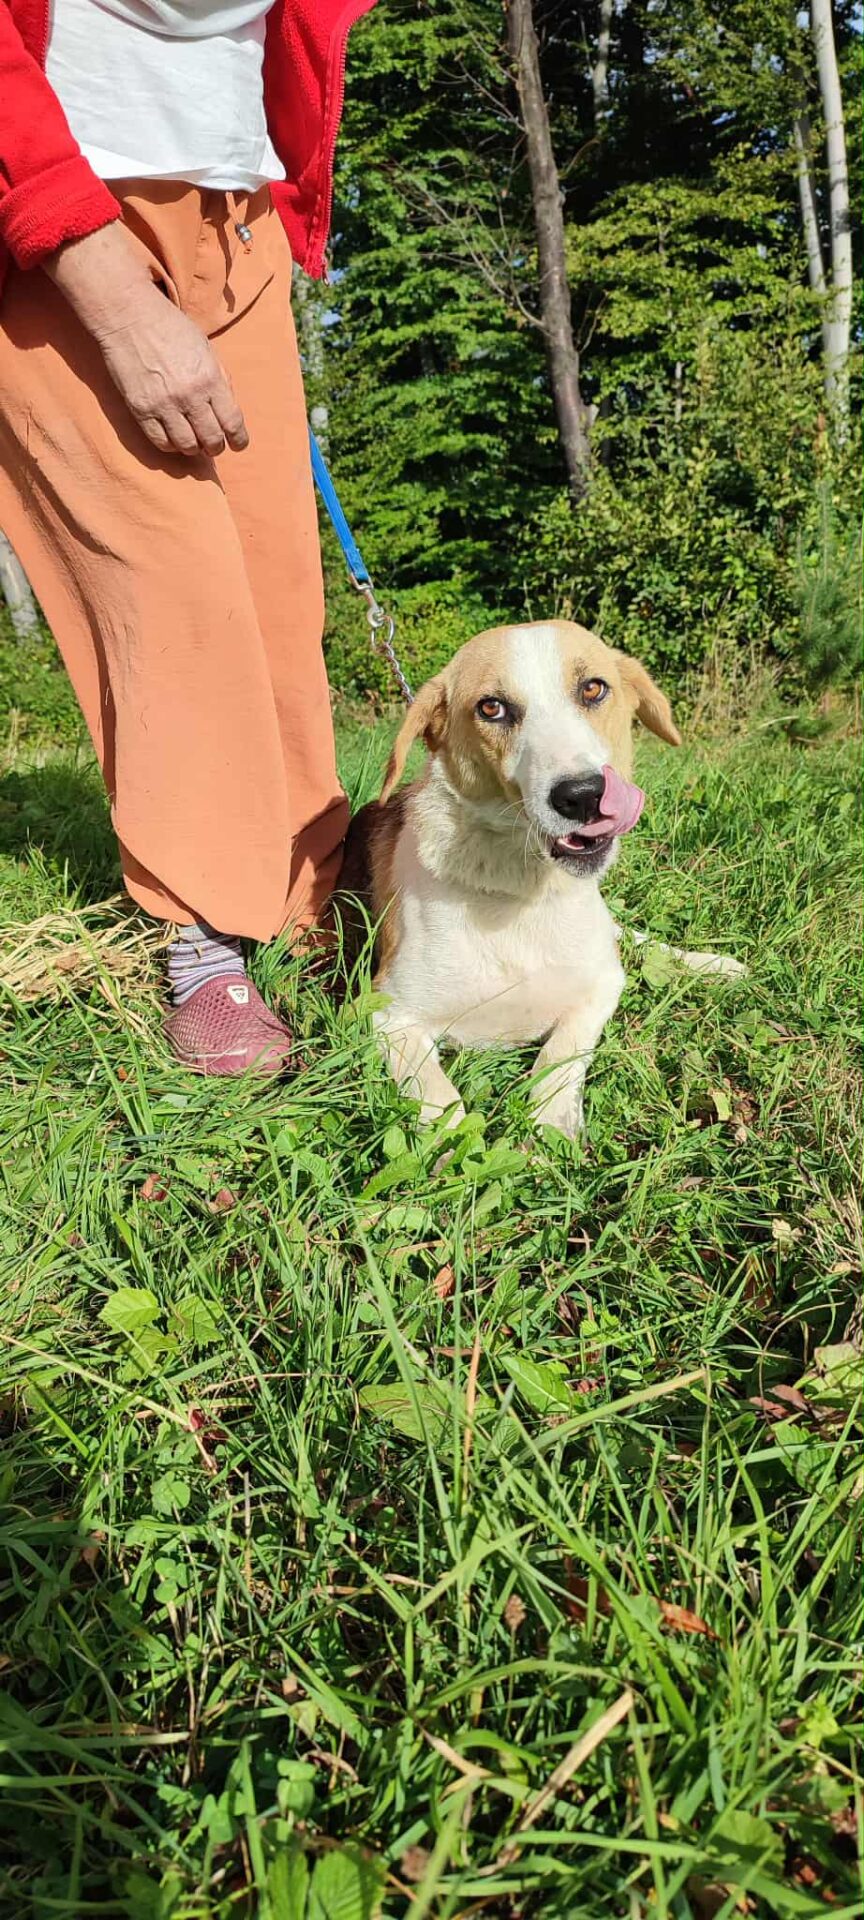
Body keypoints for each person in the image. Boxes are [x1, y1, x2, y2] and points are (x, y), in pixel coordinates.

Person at [0, 0, 375, 1074]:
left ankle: (311, 895)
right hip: (61, 213)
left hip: (238, 207)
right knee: (172, 581)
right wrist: (118, 302)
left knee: (275, 591)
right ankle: (204, 931)